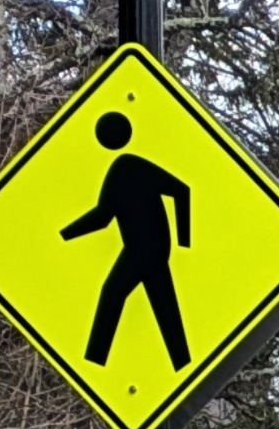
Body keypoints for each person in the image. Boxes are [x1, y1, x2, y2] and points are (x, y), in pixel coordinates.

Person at [60, 110, 194, 370]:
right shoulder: (121, 169)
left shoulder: (129, 166)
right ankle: (182, 364)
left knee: (112, 293)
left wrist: (184, 241)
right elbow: (103, 217)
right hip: (146, 248)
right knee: (165, 309)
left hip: (146, 249)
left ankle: (95, 361)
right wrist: (65, 234)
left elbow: (182, 190)